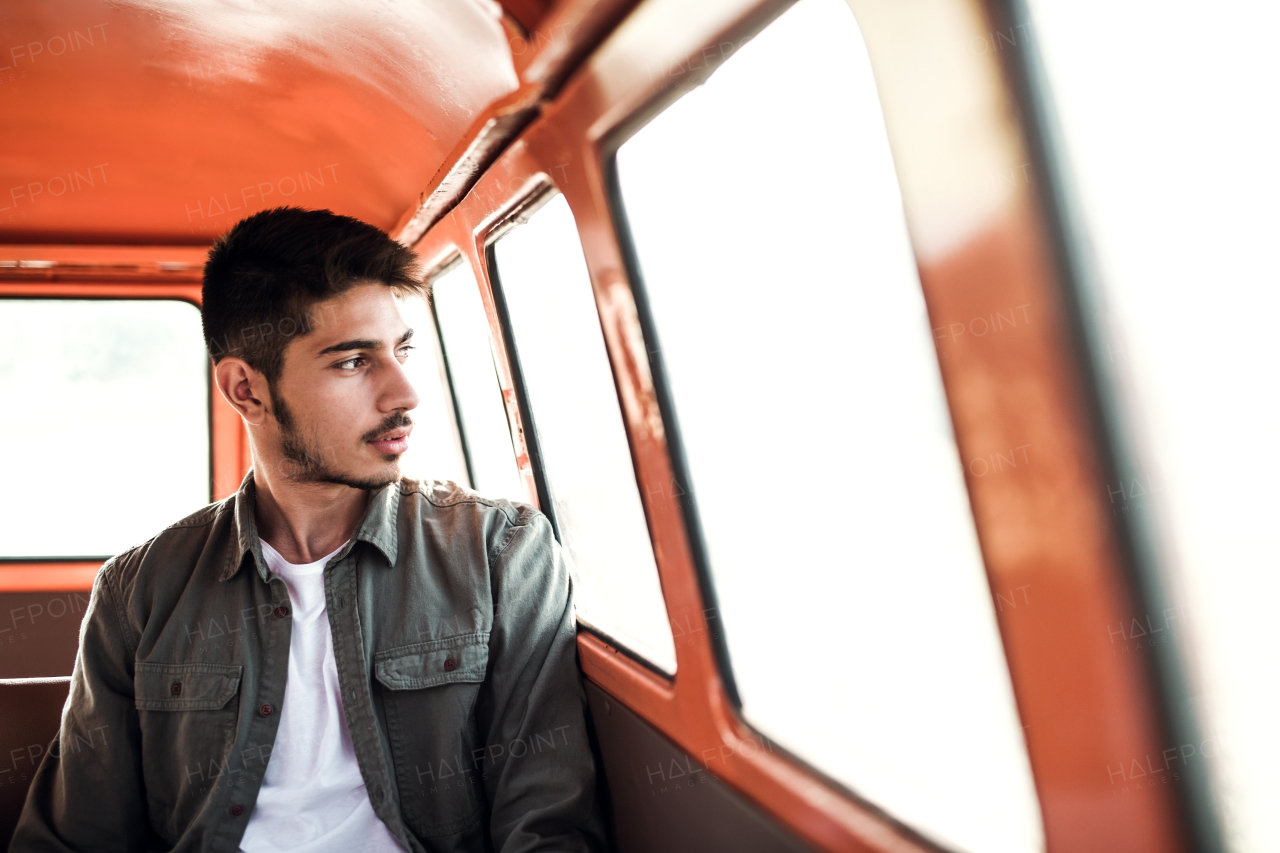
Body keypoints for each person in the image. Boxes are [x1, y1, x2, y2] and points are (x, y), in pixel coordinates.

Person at [12, 207, 606, 853]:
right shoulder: (140, 587)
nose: (403, 392)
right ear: (247, 390)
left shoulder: (501, 551)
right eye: (353, 361)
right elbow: (76, 836)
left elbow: (545, 821)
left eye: (402, 349)